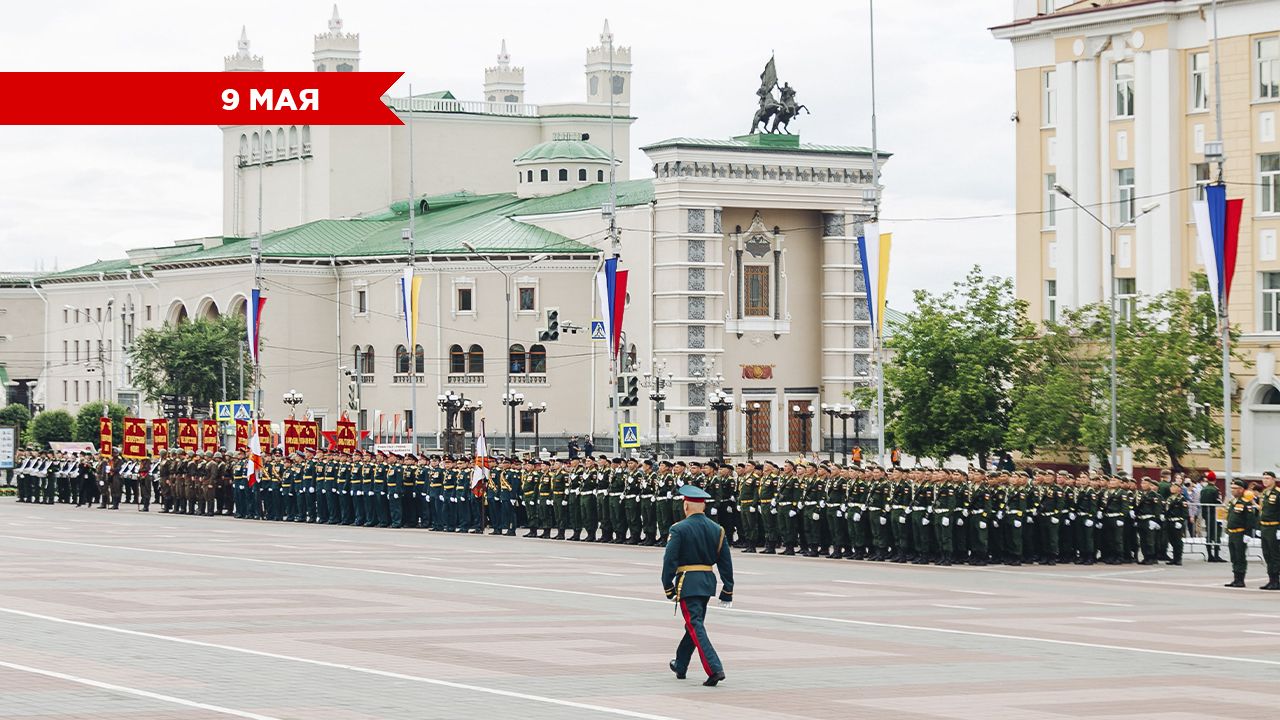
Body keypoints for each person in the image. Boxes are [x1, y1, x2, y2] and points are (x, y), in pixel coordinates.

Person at [661, 484, 733, 687]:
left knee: (695, 625)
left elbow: (670, 560)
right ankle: (681, 664)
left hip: (687, 582)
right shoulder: (717, 529)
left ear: (686, 507)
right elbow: (725, 562)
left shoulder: (679, 528)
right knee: (694, 624)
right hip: (707, 581)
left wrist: (668, 586)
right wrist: (727, 589)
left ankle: (714, 668)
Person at [1223, 479, 1258, 588]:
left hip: (1240, 533)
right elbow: (1229, 517)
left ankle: (1240, 579)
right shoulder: (1232, 502)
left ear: (1241, 489)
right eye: (1232, 488)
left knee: (1240, 556)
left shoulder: (1245, 503)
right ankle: (1235, 578)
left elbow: (1250, 519)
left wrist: (1247, 534)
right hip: (1232, 533)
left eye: (1235, 488)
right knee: (1234, 556)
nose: (1232, 491)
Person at [1258, 471, 1279, 590]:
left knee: (1275, 554)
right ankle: (1271, 579)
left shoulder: (1278, 493)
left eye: (1268, 478)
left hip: (1274, 527)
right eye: (1264, 478)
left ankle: (1276, 580)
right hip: (1265, 527)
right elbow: (1263, 511)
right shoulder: (1265, 493)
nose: (1265, 480)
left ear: (1274, 480)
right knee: (1267, 554)